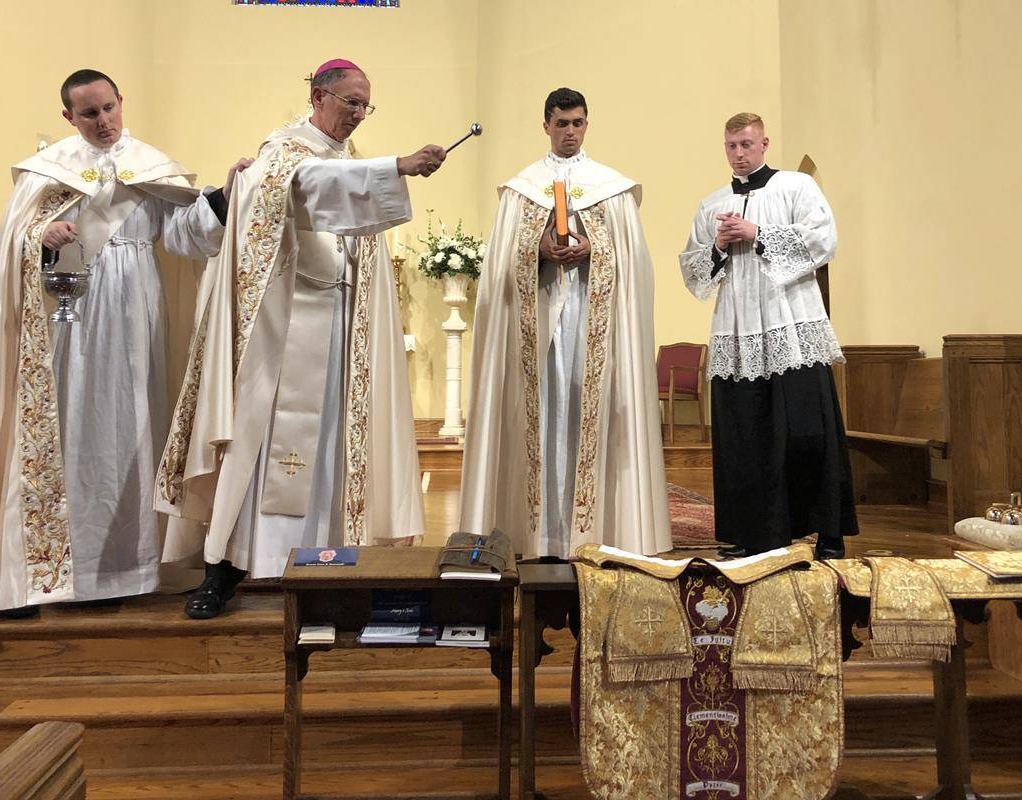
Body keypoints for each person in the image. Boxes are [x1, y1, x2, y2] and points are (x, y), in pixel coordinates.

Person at [0, 69, 236, 633]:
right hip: (70, 319)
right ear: (69, 118)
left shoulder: (151, 165)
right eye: (90, 114)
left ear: (120, 102)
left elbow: (185, 238)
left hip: (137, 316)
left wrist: (228, 197)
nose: (104, 122)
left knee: (130, 430)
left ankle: (119, 574)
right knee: (65, 432)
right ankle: (40, 571)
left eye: (109, 108)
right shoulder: (48, 171)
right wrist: (39, 234)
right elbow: (13, 240)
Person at [157, 59, 446, 618]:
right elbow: (310, 186)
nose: (358, 115)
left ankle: (331, 564)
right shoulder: (283, 151)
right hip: (283, 332)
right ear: (319, 96)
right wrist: (399, 167)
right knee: (257, 445)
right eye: (350, 103)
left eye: (366, 106)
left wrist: (383, 171)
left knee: (335, 447)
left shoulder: (347, 160)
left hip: (339, 329)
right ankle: (226, 568)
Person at [458, 87, 671, 559]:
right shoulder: (523, 188)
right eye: (561, 124)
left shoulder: (609, 188)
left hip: (591, 317)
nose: (569, 132)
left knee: (584, 405)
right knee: (545, 411)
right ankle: (542, 534)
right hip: (540, 312)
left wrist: (595, 248)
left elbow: (634, 261)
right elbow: (501, 261)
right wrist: (538, 249)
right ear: (546, 126)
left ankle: (596, 530)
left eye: (577, 123)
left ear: (587, 124)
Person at [678, 112, 857, 559]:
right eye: (731, 146)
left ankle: (826, 533)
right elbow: (693, 269)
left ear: (764, 144)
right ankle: (752, 534)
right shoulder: (711, 204)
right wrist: (719, 245)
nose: (739, 154)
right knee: (744, 435)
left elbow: (823, 240)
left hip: (791, 327)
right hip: (738, 332)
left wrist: (757, 233)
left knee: (808, 431)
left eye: (747, 144)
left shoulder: (796, 186)